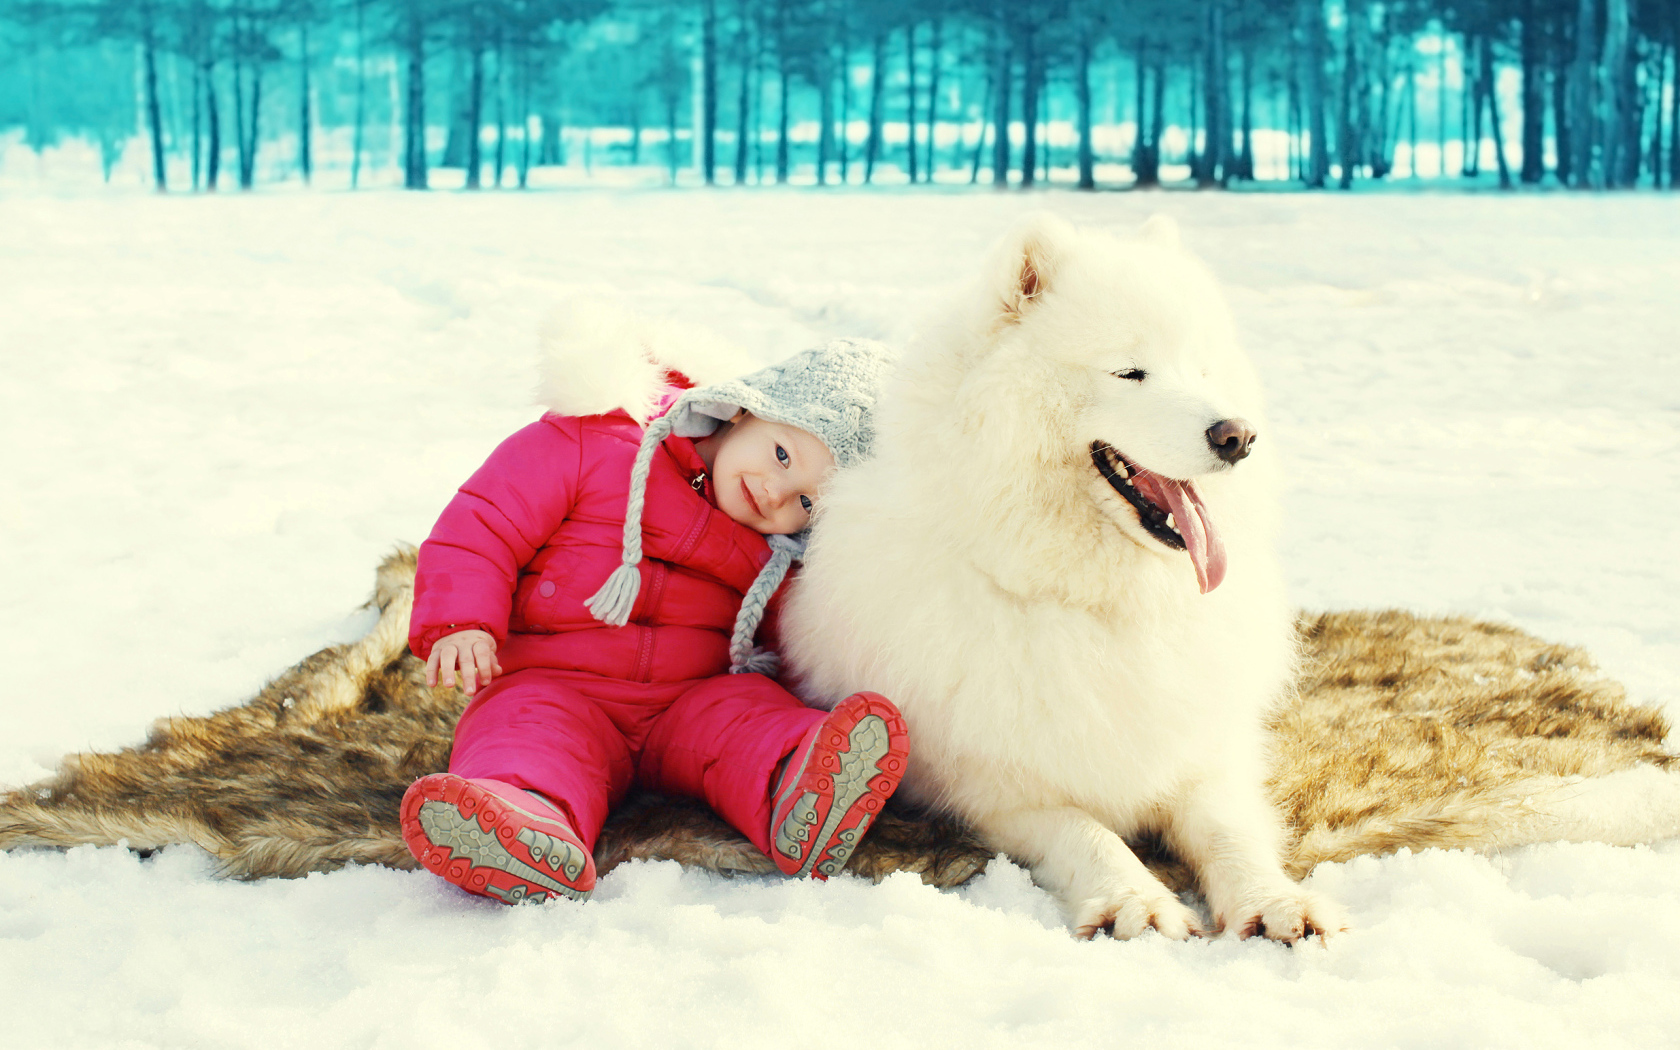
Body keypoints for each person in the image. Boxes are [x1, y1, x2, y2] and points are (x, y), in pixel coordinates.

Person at [398, 339, 908, 904]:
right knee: (527, 738)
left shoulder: (778, 555)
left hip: (687, 702)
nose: (775, 492)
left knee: (747, 720)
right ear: (745, 409)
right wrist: (462, 621)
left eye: (808, 503)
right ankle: (522, 821)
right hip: (555, 683)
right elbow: (484, 522)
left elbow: (792, 643)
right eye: (782, 455)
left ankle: (803, 779)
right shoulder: (595, 440)